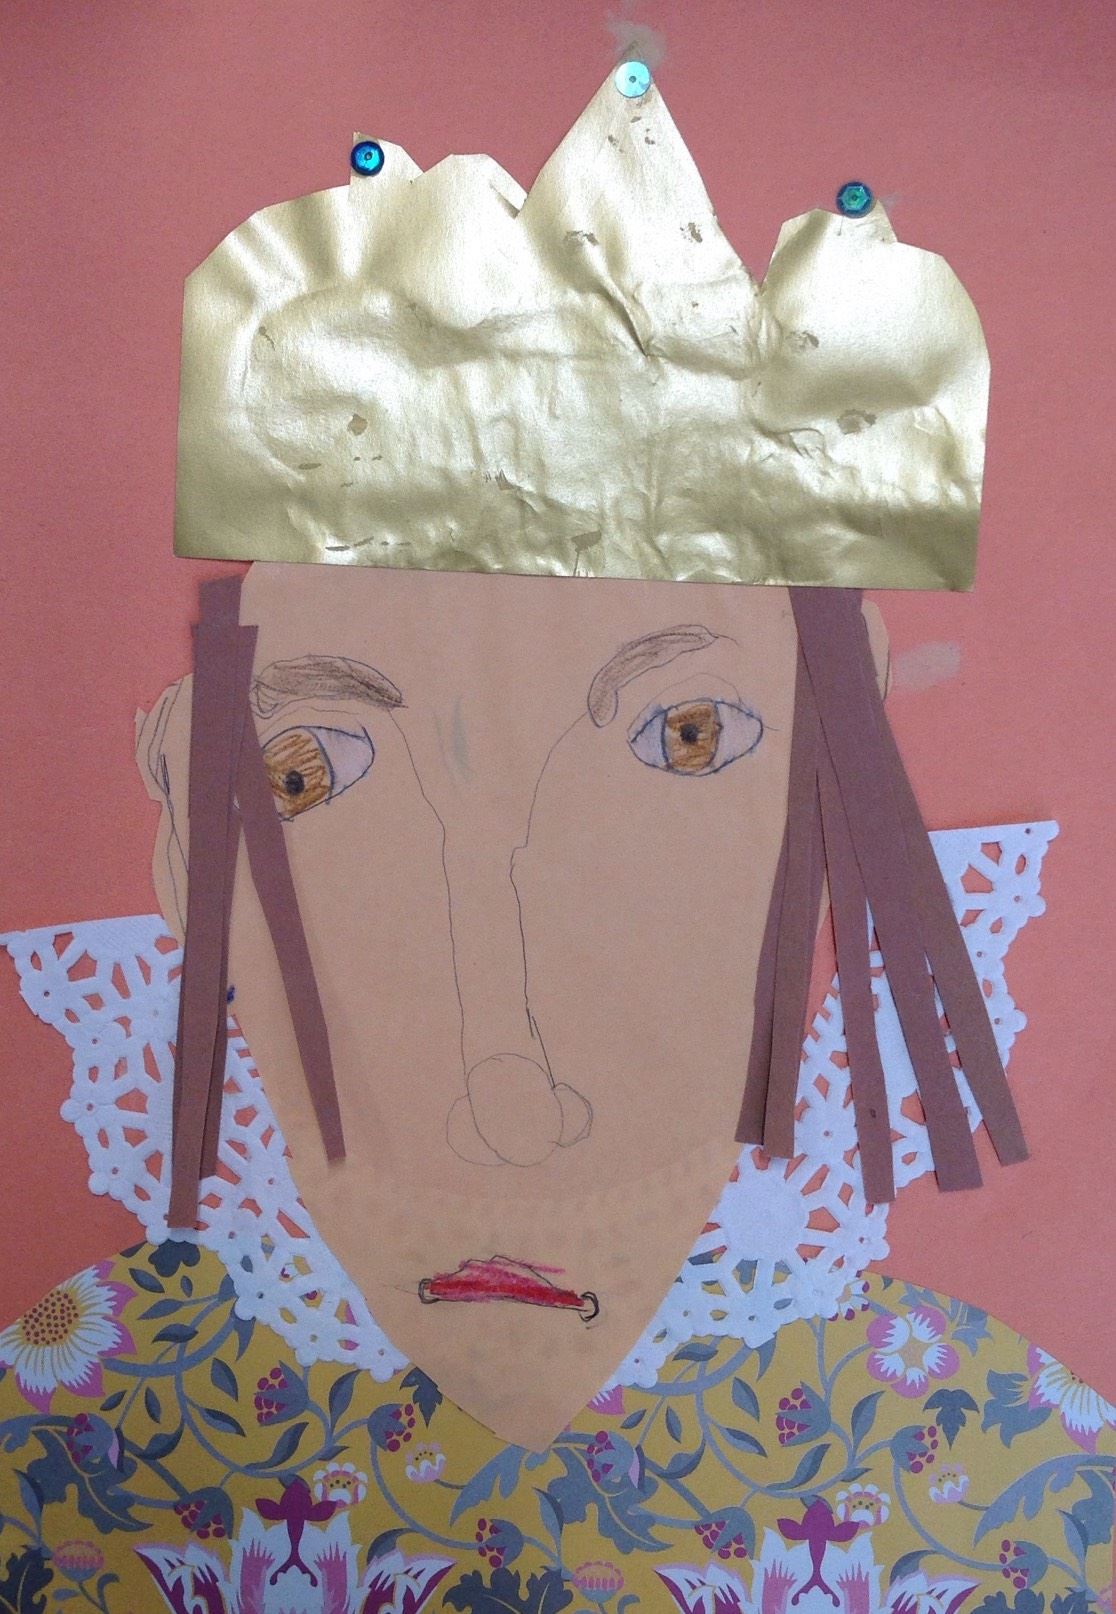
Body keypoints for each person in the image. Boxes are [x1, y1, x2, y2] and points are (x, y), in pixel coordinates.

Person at [0, 67, 1110, 1614]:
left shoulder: (1016, 1498)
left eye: (687, 737)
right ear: (186, 823)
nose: (507, 1104)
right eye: (313, 768)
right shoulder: (60, 1452)